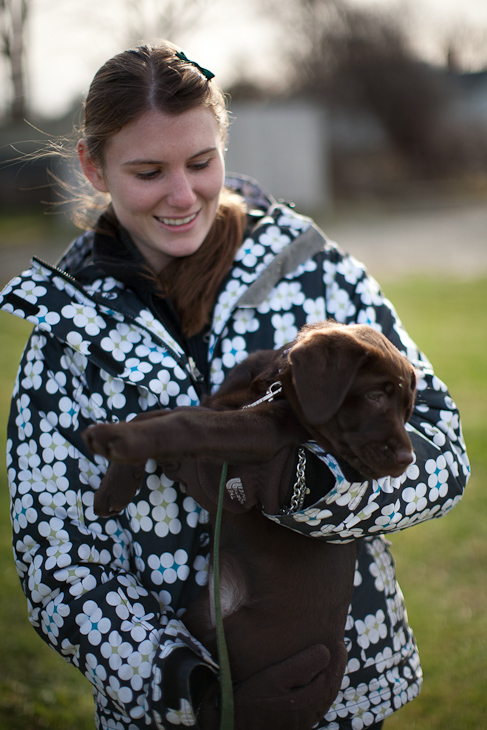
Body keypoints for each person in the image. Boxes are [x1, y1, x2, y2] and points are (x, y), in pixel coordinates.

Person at [0, 40, 469, 730]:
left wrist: (309, 483)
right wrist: (186, 690)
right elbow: (57, 555)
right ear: (94, 168)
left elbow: (442, 456)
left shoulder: (315, 273)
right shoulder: (65, 334)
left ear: (224, 145)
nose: (183, 194)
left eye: (200, 162)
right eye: (148, 171)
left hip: (339, 689)